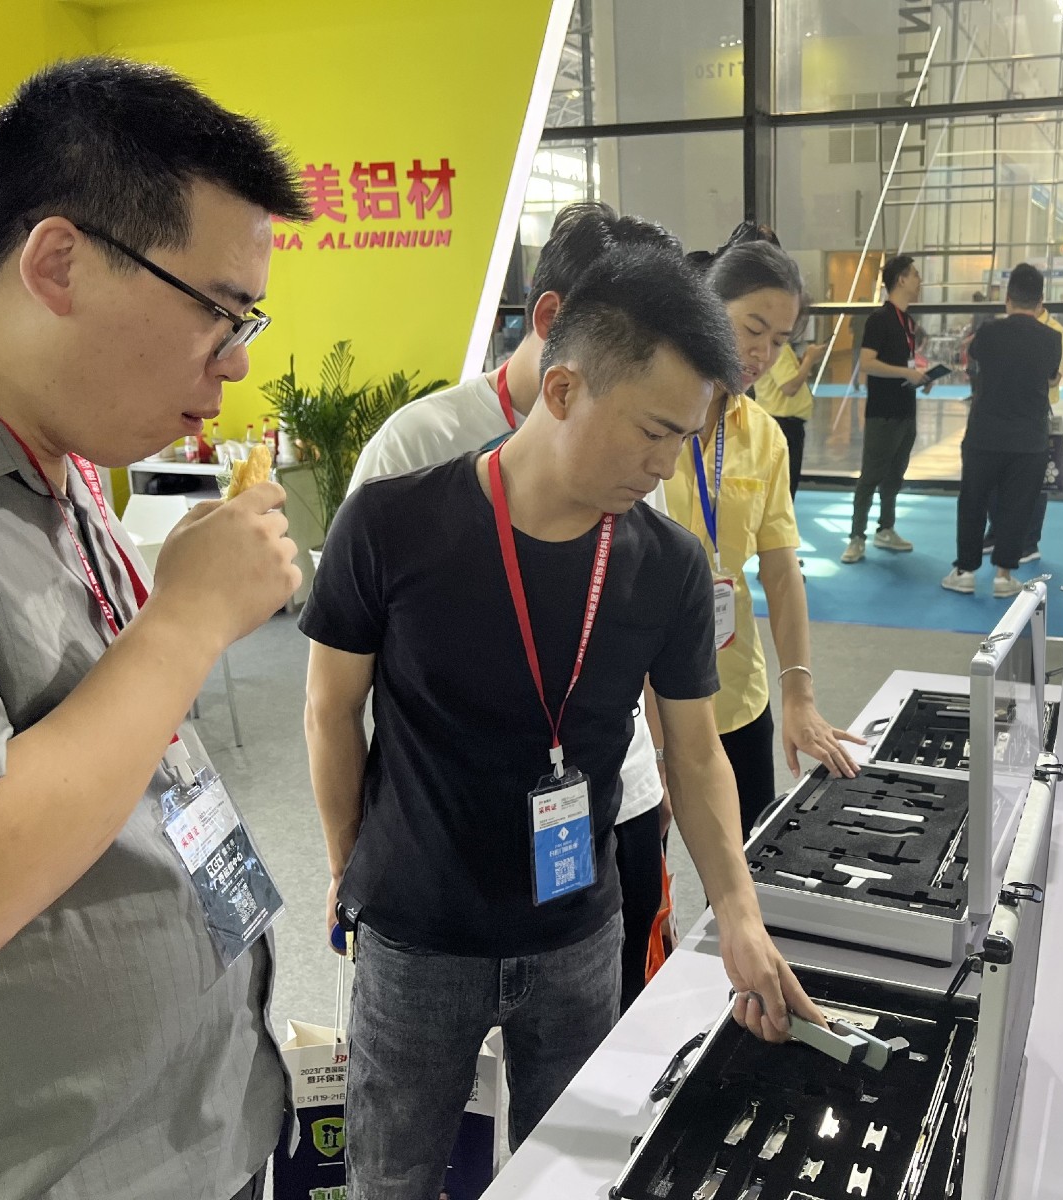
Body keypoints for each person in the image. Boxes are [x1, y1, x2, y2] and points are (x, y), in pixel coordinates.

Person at [302, 245, 822, 1197]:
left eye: (685, 438)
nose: (665, 465)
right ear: (564, 389)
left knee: (575, 1174)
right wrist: (348, 867)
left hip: (578, 933)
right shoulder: (390, 523)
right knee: (393, 1174)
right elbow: (330, 710)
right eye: (653, 433)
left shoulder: (665, 564)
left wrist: (739, 916)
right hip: (418, 934)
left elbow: (695, 755)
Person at [0, 58, 308, 1200]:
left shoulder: (57, 452)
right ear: (59, 263)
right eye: (217, 312)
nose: (237, 361)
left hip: (189, 1122)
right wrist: (186, 619)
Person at [351, 201, 678, 1012]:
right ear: (553, 321)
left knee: (609, 1039)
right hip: (448, 836)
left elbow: (644, 623)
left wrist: (658, 771)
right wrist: (356, 856)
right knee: (434, 1055)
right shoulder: (416, 447)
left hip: (608, 804)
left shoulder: (640, 439)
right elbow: (341, 683)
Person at [668, 233, 862, 833]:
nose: (763, 354)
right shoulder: (649, 418)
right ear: (706, 305)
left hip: (735, 689)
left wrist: (798, 695)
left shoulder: (764, 436)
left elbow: (780, 573)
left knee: (755, 849)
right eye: (752, 329)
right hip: (645, 701)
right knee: (642, 872)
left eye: (779, 340)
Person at [943, 264, 1063, 599]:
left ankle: (965, 572)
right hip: (1029, 439)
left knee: (973, 502)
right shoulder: (1052, 339)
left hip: (985, 434)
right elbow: (1051, 377)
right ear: (1040, 302)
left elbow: (975, 358)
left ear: (1008, 299)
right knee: (1017, 506)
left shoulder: (988, 332)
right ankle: (1003, 575)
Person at [843, 254, 931, 563]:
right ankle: (856, 537)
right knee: (871, 476)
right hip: (882, 412)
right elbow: (867, 363)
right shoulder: (879, 319)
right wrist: (907, 372)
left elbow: (904, 364)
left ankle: (886, 528)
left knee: (895, 475)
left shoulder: (908, 322)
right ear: (901, 280)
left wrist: (921, 378)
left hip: (906, 409)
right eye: (915, 274)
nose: (919, 280)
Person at [983, 297, 1063, 563]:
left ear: (1037, 304)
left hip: (1036, 412)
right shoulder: (1007, 329)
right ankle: (997, 531)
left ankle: (1029, 542)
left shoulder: (1056, 334)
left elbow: (1052, 378)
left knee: (1035, 479)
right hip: (1002, 409)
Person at [751, 313, 826, 498]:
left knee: (782, 487)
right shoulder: (779, 350)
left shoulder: (778, 348)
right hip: (783, 424)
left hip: (782, 423)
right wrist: (809, 360)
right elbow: (790, 387)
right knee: (783, 490)